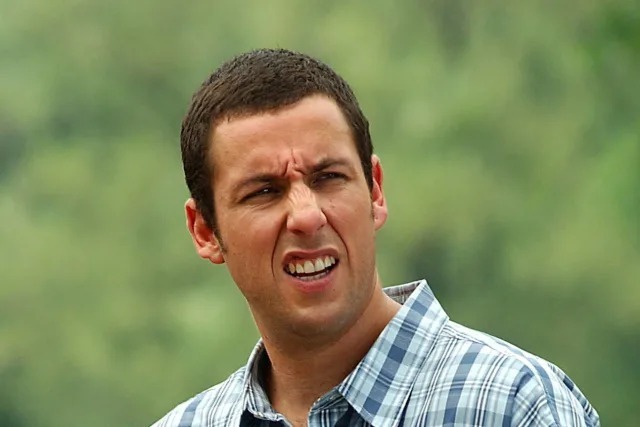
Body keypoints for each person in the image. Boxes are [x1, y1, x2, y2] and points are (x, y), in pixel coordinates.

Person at [151, 48, 600, 427]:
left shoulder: (510, 405)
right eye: (265, 191)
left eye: (328, 177)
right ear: (205, 230)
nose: (307, 216)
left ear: (375, 191)